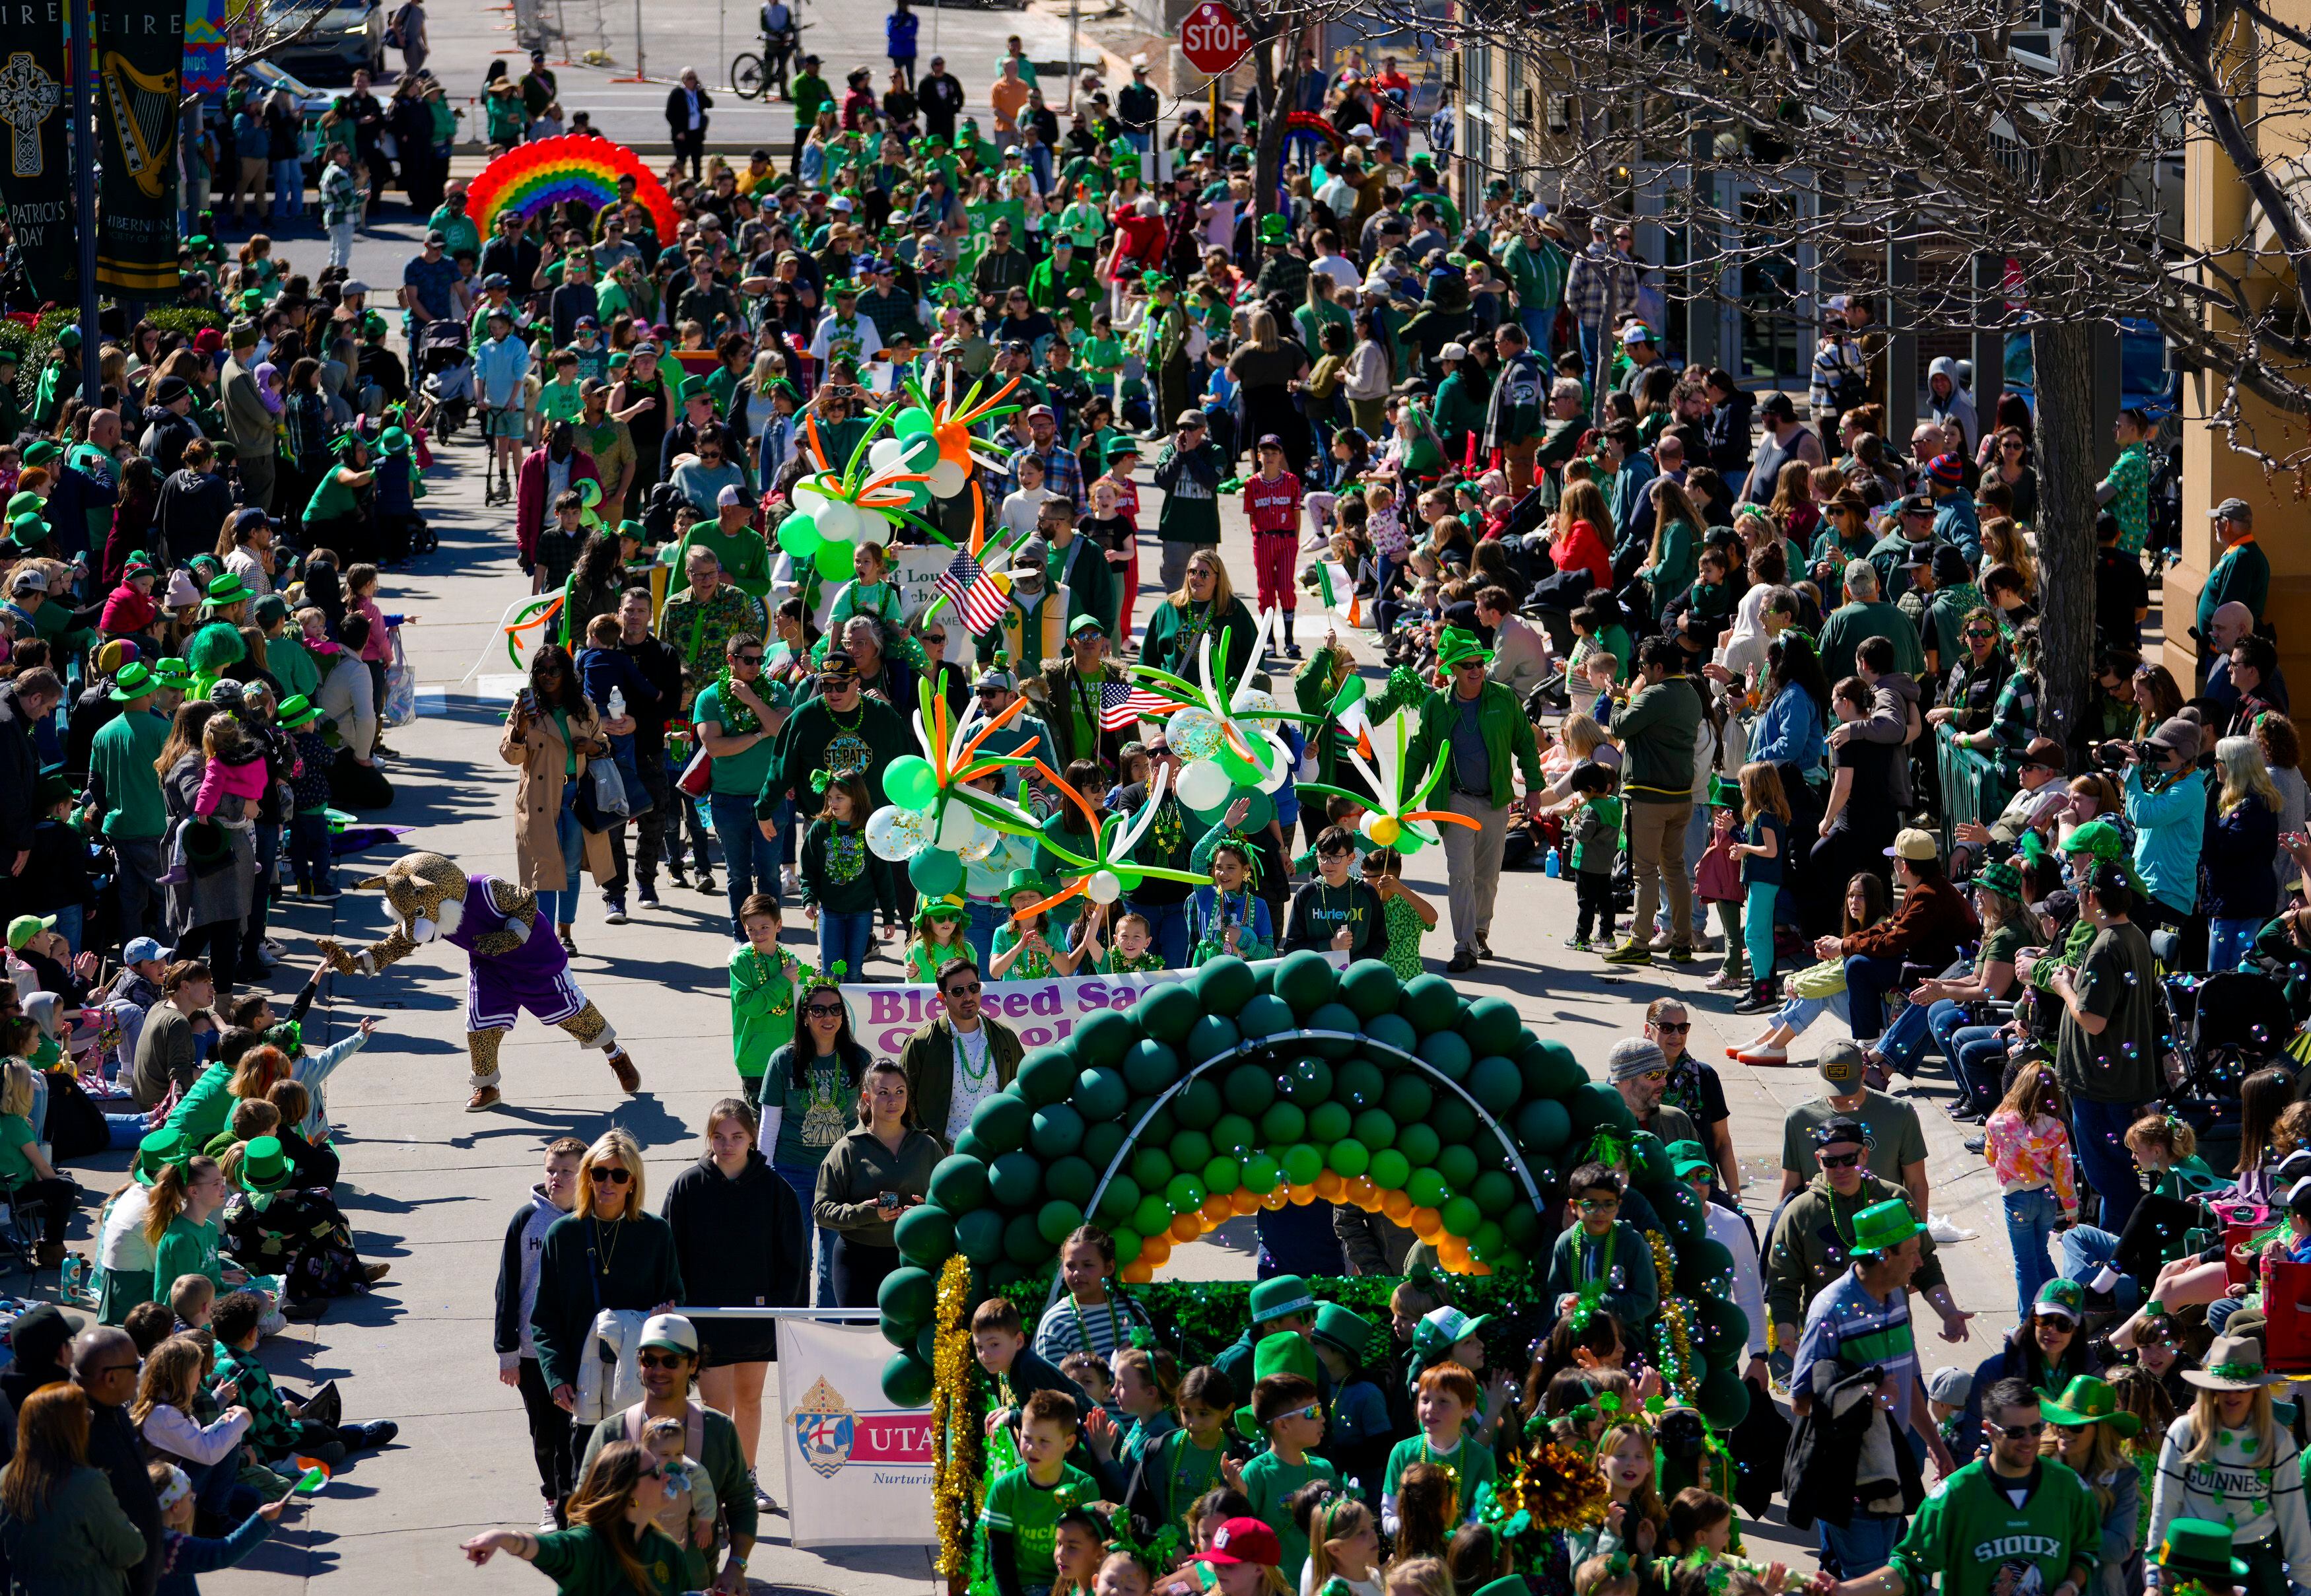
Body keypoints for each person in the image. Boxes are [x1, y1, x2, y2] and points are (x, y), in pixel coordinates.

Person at [1786, 1197, 1955, 1577]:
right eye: (1911, 1252)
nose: (1919, 1261)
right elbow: (1800, 1400)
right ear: (1882, 1255)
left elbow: (1908, 1377)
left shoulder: (1896, 1296)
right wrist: (1868, 1398)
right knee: (1871, 1581)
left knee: (1892, 1576)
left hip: (1891, 1467)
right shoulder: (1829, 1309)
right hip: (1850, 1475)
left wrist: (1936, 1445)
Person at [1819, 1375, 2097, 1596]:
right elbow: (1910, 1569)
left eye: (2036, 1429)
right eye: (2015, 1432)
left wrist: (2071, 1585)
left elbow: (2087, 1549)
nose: (2028, 1440)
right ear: (1989, 1429)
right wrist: (1848, 1590)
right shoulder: (1953, 1498)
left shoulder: (2068, 1488)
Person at [660, 1098, 806, 1506]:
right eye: (719, 1137)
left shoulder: (775, 1189)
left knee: (749, 1399)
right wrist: (674, 1300)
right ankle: (714, 1486)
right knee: (715, 1406)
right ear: (709, 1139)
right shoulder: (689, 1186)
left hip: (755, 1316)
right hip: (706, 1318)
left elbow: (793, 1256)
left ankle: (746, 1479)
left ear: (753, 1138)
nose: (727, 1145)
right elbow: (668, 1250)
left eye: (737, 1137)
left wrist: (781, 1307)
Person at [568, 1314, 756, 1593]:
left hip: (697, 1583)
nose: (658, 1370)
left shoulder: (719, 1430)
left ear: (693, 1365)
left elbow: (741, 1503)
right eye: (649, 1360)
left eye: (670, 1361)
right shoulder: (610, 1433)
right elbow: (582, 1515)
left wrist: (736, 1566)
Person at [1403, 627, 1544, 972]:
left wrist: (1535, 790)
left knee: (1487, 874)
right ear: (1452, 670)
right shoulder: (1436, 703)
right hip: (1454, 800)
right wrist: (1404, 799)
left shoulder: (1504, 697)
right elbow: (1418, 751)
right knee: (1461, 872)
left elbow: (1525, 744)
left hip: (1495, 800)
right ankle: (1464, 944)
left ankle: (1480, 929)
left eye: (1480, 662)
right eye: (1467, 665)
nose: (1476, 669)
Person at [528, 1130, 683, 1436]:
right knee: (581, 1480)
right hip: (577, 1389)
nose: (608, 1182)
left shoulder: (656, 1233)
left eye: (619, 1174)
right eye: (600, 1173)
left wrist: (667, 1313)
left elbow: (676, 1299)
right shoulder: (562, 1234)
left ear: (633, 1182)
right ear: (588, 1177)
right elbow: (544, 1317)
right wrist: (556, 1377)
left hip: (639, 1389)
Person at [2145, 1335, 2311, 1596]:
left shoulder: (2277, 1440)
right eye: (2224, 1387)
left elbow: (2293, 1514)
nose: (2232, 1395)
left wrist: (2304, 1581)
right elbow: (2166, 1503)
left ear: (2256, 1390)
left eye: (2242, 1387)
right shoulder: (2185, 1432)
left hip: (2256, 1561)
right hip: (2193, 1563)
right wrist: (2154, 1576)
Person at [2048, 863, 2163, 1232]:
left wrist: (2063, 988)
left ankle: (2116, 1267)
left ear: (2092, 897)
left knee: (2111, 1182)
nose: (2079, 900)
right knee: (2119, 1177)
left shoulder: (2105, 947)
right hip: (2119, 1080)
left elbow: (2093, 1020)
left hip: (2101, 1086)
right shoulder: (2134, 935)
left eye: (2082, 892)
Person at [496, 1136, 586, 1529]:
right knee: (544, 1433)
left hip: (580, 1350)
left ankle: (575, 1502)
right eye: (552, 1169)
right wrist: (507, 1351)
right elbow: (507, 1287)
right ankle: (551, 1498)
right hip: (533, 1353)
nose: (557, 1178)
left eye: (567, 1171)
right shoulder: (525, 1220)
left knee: (578, 1431)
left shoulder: (594, 1218)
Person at [462, 1441, 688, 1596]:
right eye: (656, 1472)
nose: (667, 1476)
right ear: (628, 1492)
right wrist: (501, 1538)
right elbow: (549, 1548)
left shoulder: (667, 1550)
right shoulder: (589, 1545)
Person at [1602, 638, 1704, 967]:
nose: (1641, 673)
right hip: (1680, 798)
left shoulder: (1655, 694)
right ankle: (1682, 942)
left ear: (1659, 667)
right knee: (1674, 871)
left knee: (1644, 873)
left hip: (1649, 798)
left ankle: (1640, 942)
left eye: (1644, 667)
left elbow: (1620, 727)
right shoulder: (1690, 694)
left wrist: (1618, 700)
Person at [0, 1383, 151, 1596]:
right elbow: (129, 1550)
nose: (90, 1420)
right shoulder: (86, 1483)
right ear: (70, 1427)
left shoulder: (6, 1478)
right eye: (86, 1414)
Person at [813, 1060, 939, 1307]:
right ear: (867, 1098)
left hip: (914, 1259)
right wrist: (867, 1213)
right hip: (857, 1260)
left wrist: (927, 1210)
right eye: (883, 1093)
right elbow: (822, 1212)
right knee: (860, 1339)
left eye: (899, 1092)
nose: (893, 1100)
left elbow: (949, 1203)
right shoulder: (847, 1149)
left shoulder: (927, 1147)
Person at [899, 958, 1024, 1151]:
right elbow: (905, 1104)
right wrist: (932, 1147)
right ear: (942, 998)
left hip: (1000, 1151)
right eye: (958, 991)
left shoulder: (1004, 1036)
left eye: (974, 988)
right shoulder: (920, 1044)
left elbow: (1021, 1090)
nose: (968, 996)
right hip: (947, 1156)